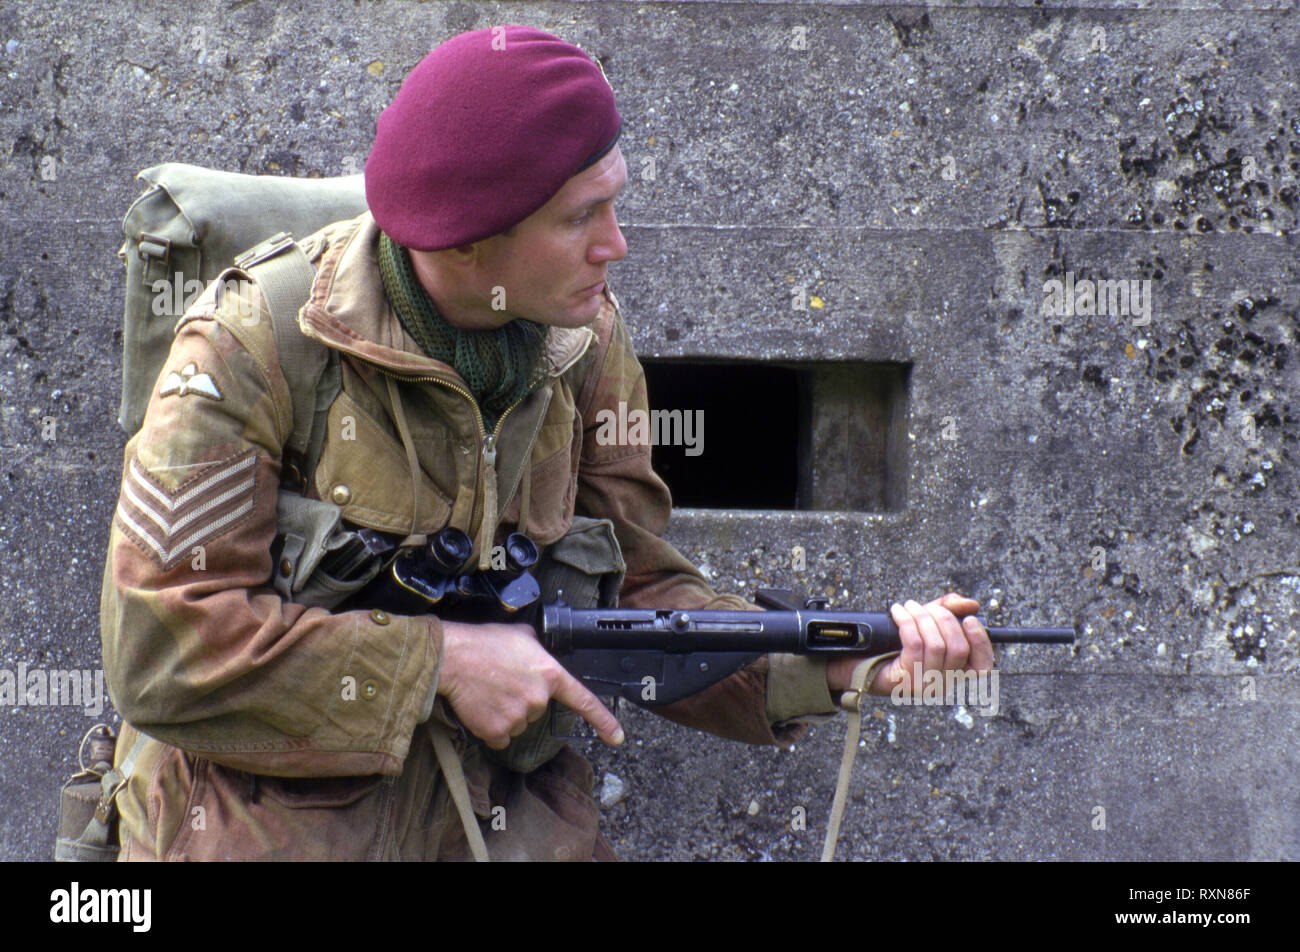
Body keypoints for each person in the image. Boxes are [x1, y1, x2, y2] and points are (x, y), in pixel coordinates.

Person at [100, 24, 992, 861]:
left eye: (615, 205)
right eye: (580, 219)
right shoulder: (249, 343)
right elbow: (164, 650)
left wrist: (828, 663)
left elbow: (641, 594)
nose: (618, 246)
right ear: (472, 242)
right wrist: (440, 663)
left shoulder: (584, 345)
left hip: (502, 832)